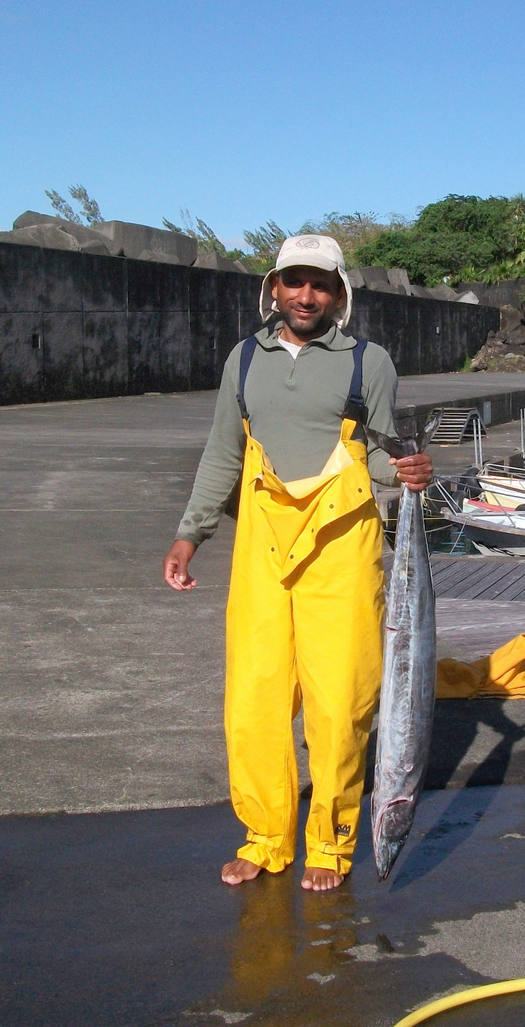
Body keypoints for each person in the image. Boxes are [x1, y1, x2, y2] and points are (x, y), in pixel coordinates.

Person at [162, 235, 433, 893]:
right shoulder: (244, 360)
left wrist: (406, 471)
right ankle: (266, 834)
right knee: (253, 701)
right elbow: (223, 452)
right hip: (263, 547)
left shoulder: (368, 363)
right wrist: (189, 534)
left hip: (343, 544)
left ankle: (332, 841)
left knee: (340, 703)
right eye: (293, 282)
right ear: (273, 289)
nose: (305, 295)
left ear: (339, 294)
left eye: (319, 284)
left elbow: (376, 453)